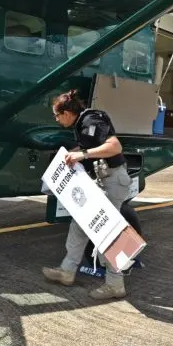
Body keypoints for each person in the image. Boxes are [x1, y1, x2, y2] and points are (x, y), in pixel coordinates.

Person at [42, 89, 134, 300]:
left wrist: (82, 154)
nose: (56, 120)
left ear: (67, 112)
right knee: (79, 225)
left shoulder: (91, 119)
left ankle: (115, 284)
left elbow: (114, 146)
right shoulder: (81, 125)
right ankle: (67, 271)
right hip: (102, 181)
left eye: (57, 115)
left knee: (107, 232)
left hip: (112, 181)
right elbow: (87, 146)